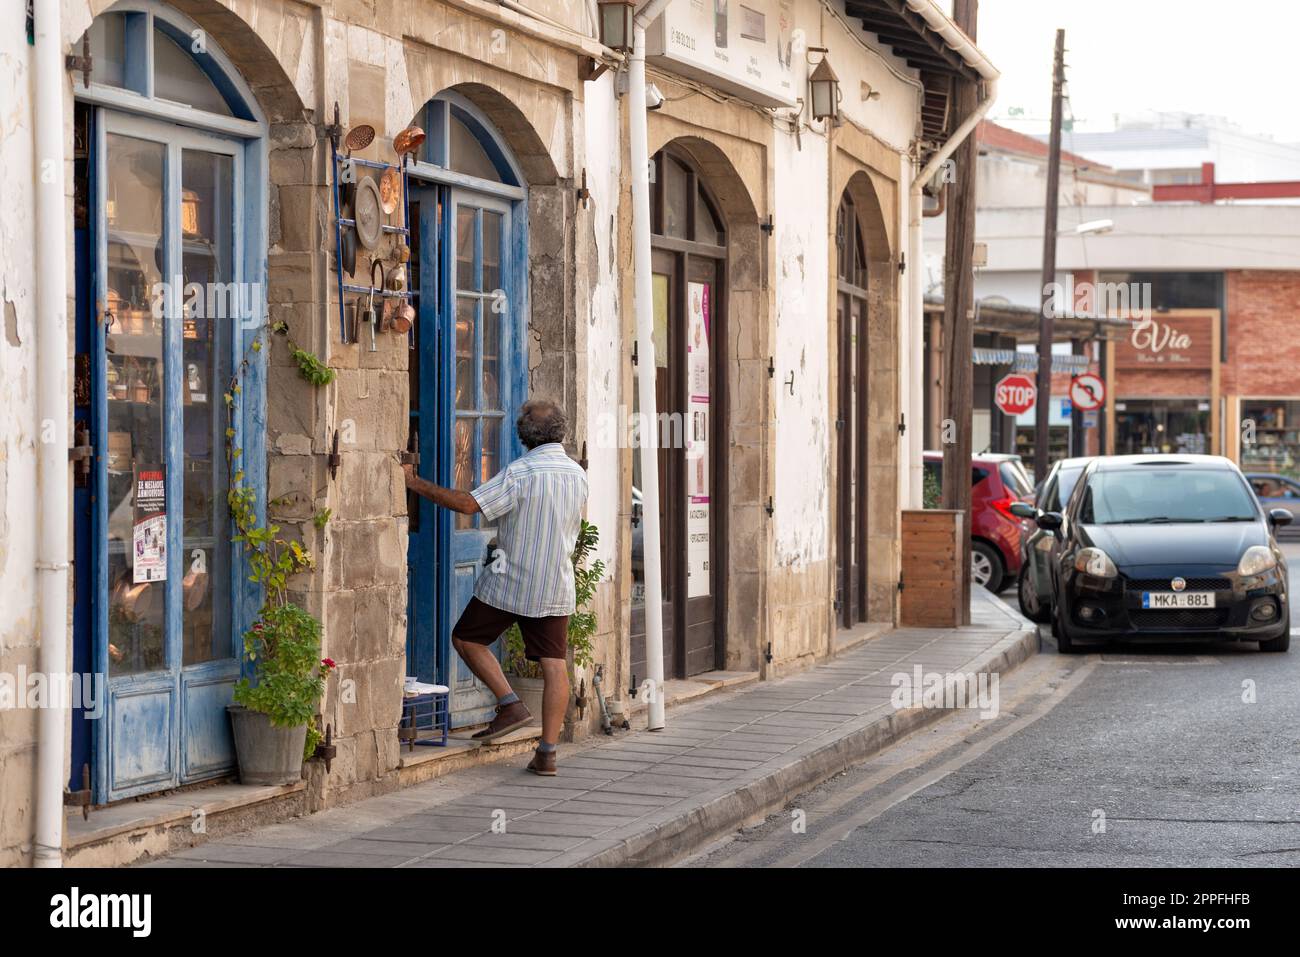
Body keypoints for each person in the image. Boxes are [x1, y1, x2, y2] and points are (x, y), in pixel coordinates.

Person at [403, 399, 588, 776]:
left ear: (522, 434)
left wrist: (414, 483)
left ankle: (510, 703)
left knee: (467, 638)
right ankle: (548, 753)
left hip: (512, 579)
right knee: (555, 666)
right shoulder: (577, 474)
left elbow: (469, 505)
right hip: (555, 583)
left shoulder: (521, 472)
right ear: (561, 431)